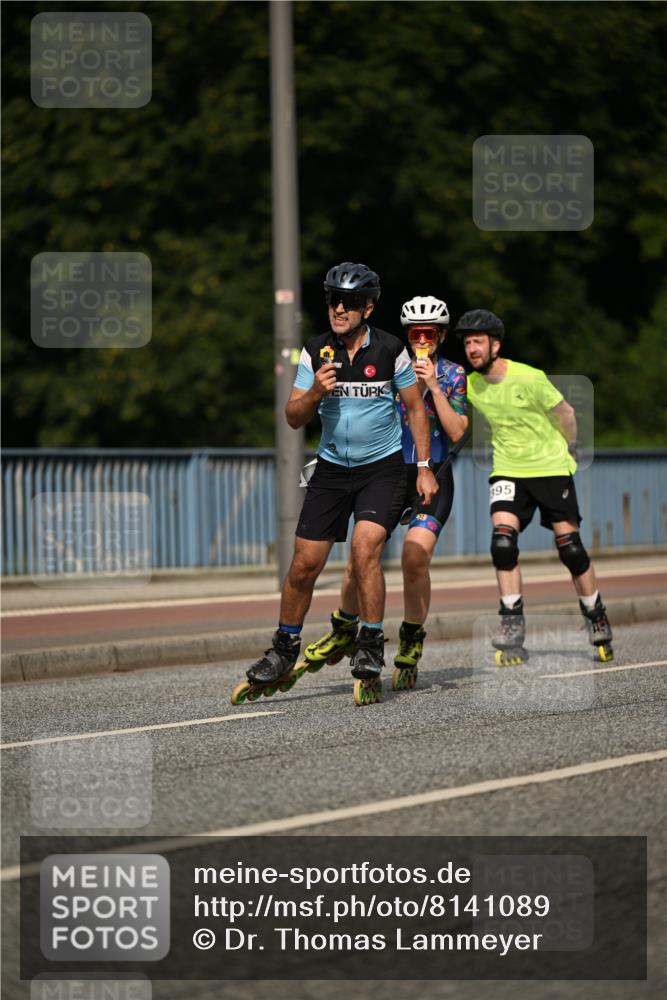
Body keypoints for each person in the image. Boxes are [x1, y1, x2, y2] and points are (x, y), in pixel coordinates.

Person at [240, 263, 438, 698]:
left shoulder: (390, 350)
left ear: (368, 307)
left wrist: (423, 466)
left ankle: (369, 644)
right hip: (330, 470)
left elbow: (416, 409)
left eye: (349, 302)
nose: (339, 309)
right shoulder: (315, 353)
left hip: (381, 469)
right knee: (303, 565)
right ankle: (283, 647)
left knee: (366, 550)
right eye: (333, 300)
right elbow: (292, 417)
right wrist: (314, 394)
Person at [304, 296, 469, 689]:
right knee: (362, 554)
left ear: (441, 336)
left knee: (415, 557)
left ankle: (411, 636)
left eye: (429, 334)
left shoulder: (452, 373)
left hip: (433, 475)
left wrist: (432, 385)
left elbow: (459, 431)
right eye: (415, 334)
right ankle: (344, 627)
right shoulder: (392, 363)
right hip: (389, 473)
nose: (421, 340)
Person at [453, 308, 614, 662]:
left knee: (570, 547)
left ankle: (596, 615)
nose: (472, 350)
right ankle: (512, 623)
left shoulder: (529, 377)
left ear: (495, 344)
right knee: (503, 544)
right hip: (509, 471)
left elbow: (566, 414)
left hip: (550, 468)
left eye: (478, 342)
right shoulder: (472, 385)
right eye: (467, 344)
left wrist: (568, 447)